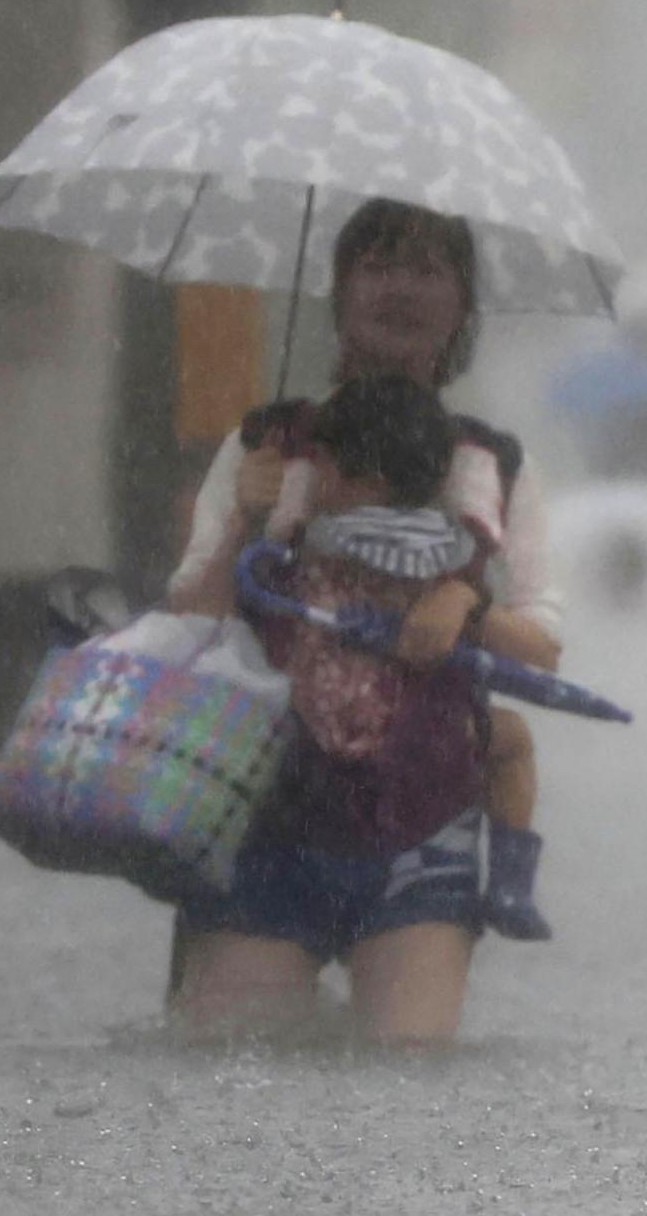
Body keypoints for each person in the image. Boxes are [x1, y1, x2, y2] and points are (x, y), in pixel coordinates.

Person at [162, 198, 563, 1047]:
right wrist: (243, 522)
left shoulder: (493, 464)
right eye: (379, 266)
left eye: (428, 270)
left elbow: (544, 647)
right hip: (262, 822)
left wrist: (469, 605)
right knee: (222, 1070)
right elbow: (186, 627)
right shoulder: (266, 448)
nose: (402, 290)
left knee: (408, 1067)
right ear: (340, 292)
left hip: (423, 825)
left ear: (462, 307)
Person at [265, 374, 550, 941]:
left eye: (320, 464)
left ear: (357, 476)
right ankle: (512, 885)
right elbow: (532, 644)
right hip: (413, 746)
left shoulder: (309, 539)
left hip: (308, 740)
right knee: (512, 740)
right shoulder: (445, 551)